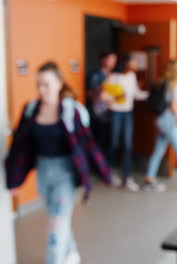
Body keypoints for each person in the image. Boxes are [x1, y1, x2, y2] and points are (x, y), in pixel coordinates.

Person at [5, 62, 112, 264]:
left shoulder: (72, 111)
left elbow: (88, 145)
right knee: (59, 221)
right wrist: (13, 180)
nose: (41, 89)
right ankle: (71, 253)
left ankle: (55, 259)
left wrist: (104, 173)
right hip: (43, 175)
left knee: (55, 230)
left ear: (59, 84)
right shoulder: (31, 110)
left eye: (46, 84)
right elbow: (19, 147)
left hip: (65, 176)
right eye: (38, 84)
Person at [144, 60, 177, 191]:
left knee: (158, 150)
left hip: (159, 119)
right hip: (168, 120)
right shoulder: (176, 85)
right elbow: (174, 105)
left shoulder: (160, 81)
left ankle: (149, 177)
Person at [101, 54, 149, 192]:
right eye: (134, 62)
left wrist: (151, 95)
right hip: (115, 113)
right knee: (114, 143)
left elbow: (136, 94)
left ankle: (127, 178)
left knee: (128, 146)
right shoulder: (114, 77)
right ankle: (109, 173)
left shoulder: (132, 77)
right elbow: (103, 96)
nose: (136, 64)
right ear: (127, 63)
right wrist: (116, 96)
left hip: (128, 113)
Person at [86, 52, 117, 155]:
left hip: (111, 112)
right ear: (103, 60)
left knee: (109, 139)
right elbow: (90, 94)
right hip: (98, 112)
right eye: (111, 59)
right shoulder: (95, 75)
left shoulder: (114, 76)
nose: (113, 62)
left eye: (114, 60)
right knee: (98, 139)